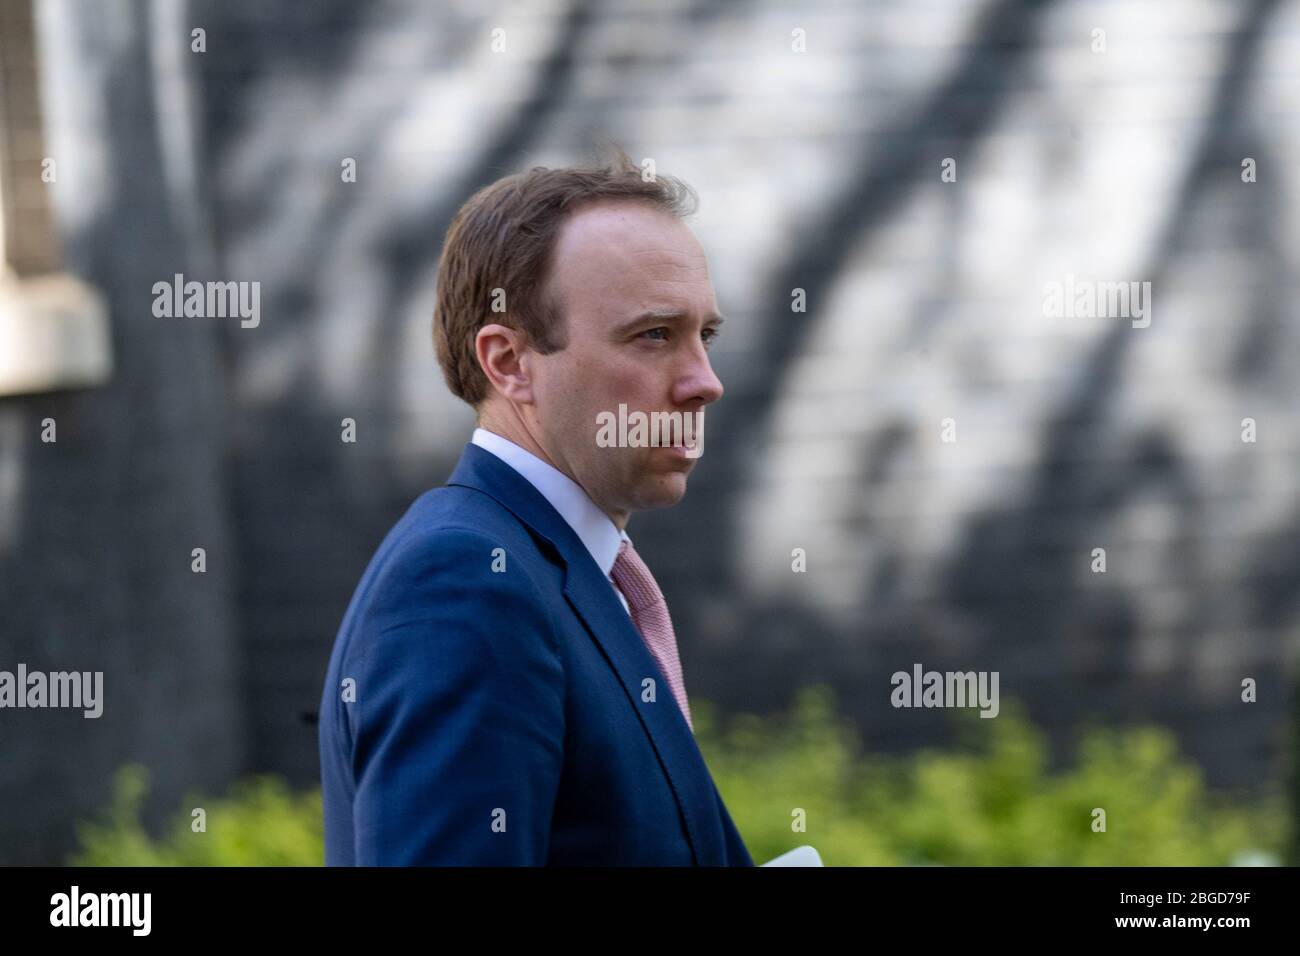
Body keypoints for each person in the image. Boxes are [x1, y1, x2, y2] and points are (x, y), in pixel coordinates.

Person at [319, 149, 752, 865]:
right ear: (510, 363)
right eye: (653, 335)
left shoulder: (552, 566)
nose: (706, 383)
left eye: (703, 336)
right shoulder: (466, 581)